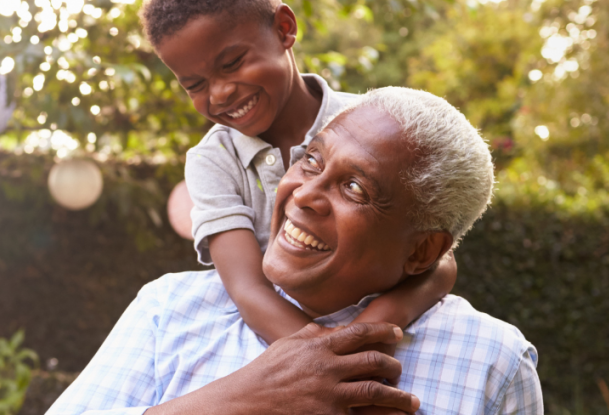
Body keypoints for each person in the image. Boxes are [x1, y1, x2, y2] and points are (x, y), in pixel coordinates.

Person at [46, 88, 543, 415]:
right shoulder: (171, 311)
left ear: (423, 252)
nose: (303, 193)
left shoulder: (492, 362)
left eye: (354, 187)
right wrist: (244, 397)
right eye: (311, 160)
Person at [139, 0, 457, 347]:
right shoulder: (213, 161)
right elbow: (248, 289)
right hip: (278, 342)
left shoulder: (372, 129)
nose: (220, 94)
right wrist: (329, 361)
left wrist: (367, 332)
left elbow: (438, 263)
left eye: (232, 64)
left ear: (284, 28)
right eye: (195, 85)